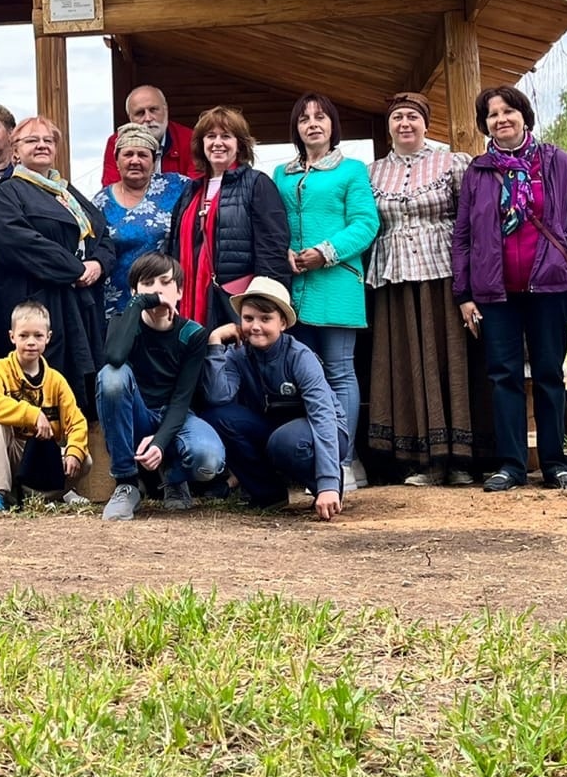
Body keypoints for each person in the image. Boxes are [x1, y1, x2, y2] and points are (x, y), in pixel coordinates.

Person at [451, 85, 567, 493]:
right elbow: (462, 237)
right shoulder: (478, 172)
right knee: (504, 377)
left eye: (508, 111)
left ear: (524, 115)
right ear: (485, 125)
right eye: (492, 114)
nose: (501, 119)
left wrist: (563, 246)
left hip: (550, 288)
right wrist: (463, 294)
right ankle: (512, 465)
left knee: (550, 374)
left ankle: (554, 463)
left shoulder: (557, 162)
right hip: (494, 293)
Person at [364, 92, 486, 487]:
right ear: (389, 126)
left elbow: (471, 222)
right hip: (394, 277)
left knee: (449, 362)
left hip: (444, 274)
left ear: (425, 123)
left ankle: (461, 458)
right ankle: (421, 459)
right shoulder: (371, 172)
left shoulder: (451, 163)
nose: (405, 124)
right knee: (406, 363)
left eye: (412, 117)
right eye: (398, 117)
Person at [273, 93, 377, 474]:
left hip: (337, 282)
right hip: (294, 287)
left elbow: (366, 223)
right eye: (304, 118)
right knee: (303, 373)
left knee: (339, 370)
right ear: (296, 128)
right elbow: (274, 220)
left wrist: (326, 251)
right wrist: (282, 250)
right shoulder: (281, 175)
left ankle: (345, 460)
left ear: (333, 125)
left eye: (320, 117)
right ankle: (312, 458)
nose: (312, 123)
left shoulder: (351, 171)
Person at [0, 115, 115, 412]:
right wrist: (77, 268)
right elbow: (23, 243)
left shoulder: (66, 192)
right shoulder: (8, 194)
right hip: (41, 303)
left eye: (48, 140)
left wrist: (98, 265)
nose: (41, 145)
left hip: (81, 300)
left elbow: (102, 234)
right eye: (32, 140)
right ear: (15, 151)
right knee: (48, 390)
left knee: (84, 394)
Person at [199, 277, 346, 521]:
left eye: (265, 319)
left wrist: (328, 482)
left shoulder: (300, 357)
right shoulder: (238, 354)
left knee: (285, 441)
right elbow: (218, 397)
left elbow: (323, 415)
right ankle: (268, 494)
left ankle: (328, 490)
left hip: (322, 430)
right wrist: (214, 343)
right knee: (217, 417)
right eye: (248, 319)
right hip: (275, 429)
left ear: (283, 323)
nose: (255, 326)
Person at [96, 251, 219, 521]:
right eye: (148, 284)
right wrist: (139, 304)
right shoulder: (122, 323)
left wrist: (161, 443)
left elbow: (182, 399)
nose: (157, 290)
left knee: (208, 460)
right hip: (137, 415)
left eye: (165, 282)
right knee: (111, 377)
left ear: (180, 291)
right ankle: (126, 483)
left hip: (175, 415)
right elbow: (115, 358)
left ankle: (174, 476)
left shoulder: (193, 334)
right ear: (134, 292)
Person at [167, 107, 290, 330]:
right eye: (210, 136)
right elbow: (172, 247)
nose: (217, 143)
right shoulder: (190, 191)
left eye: (226, 136)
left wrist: (263, 305)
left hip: (236, 303)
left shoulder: (257, 184)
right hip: (188, 299)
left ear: (240, 144)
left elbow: (273, 248)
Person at [0, 300, 91, 511]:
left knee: (85, 459)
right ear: (12, 337)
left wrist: (74, 451)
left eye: (38, 336)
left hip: (41, 457)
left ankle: (41, 497)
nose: (31, 342)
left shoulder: (56, 380)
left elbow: (77, 422)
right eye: (23, 335)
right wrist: (32, 414)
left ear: (48, 337)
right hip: (12, 452)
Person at [94, 122, 189, 316]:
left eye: (143, 155)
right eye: (128, 154)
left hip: (167, 296)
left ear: (153, 161)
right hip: (118, 302)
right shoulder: (101, 202)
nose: (135, 160)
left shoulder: (177, 186)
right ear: (117, 160)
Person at [99, 85, 198, 186]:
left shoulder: (189, 139)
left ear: (166, 110)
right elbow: (112, 188)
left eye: (153, 110)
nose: (148, 118)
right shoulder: (117, 142)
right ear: (130, 118)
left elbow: (196, 187)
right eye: (140, 113)